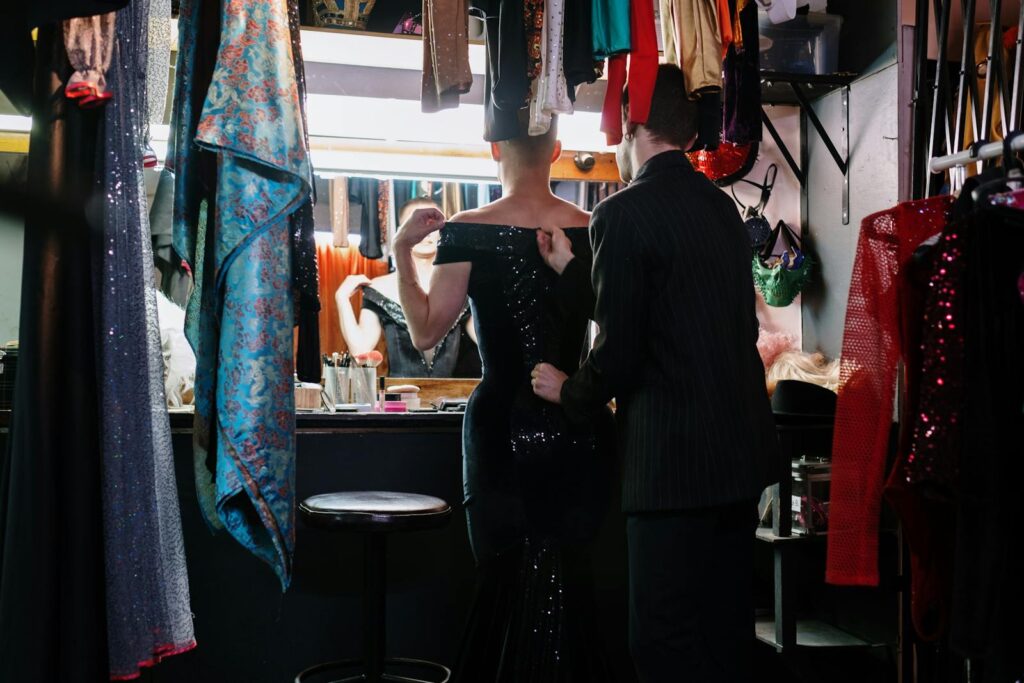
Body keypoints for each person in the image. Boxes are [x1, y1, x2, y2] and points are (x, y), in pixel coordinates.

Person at [531, 63, 778, 682]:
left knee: (660, 646)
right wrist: (574, 271)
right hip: (739, 461)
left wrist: (571, 393)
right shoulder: (723, 211)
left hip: (670, 469)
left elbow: (620, 351)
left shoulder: (622, 213)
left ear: (632, 125)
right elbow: (671, 315)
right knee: (724, 641)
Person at [394, 117, 614, 681]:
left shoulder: (467, 229)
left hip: (498, 428)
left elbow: (423, 332)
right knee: (576, 581)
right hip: (574, 417)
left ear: (494, 147)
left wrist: (402, 251)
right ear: (559, 151)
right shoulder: (594, 227)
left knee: (502, 578)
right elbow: (618, 328)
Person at [335, 197, 480, 378]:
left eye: (433, 223)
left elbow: (490, 344)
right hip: (399, 400)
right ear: (401, 231)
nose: (426, 232)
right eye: (416, 223)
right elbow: (360, 350)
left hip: (449, 400)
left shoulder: (460, 287)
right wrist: (341, 298)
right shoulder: (379, 288)